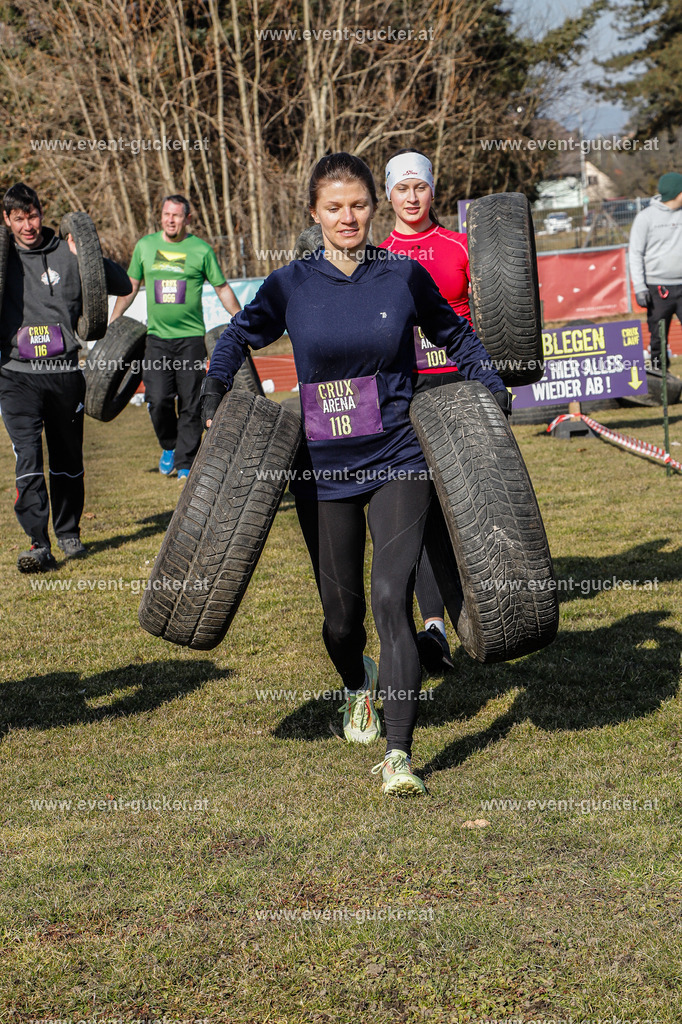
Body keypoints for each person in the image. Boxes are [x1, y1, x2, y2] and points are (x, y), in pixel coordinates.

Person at [200, 152, 508, 797]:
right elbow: (237, 335)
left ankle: (399, 754)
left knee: (392, 598)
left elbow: (456, 334)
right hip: (322, 468)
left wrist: (485, 378)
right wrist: (216, 386)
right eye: (334, 207)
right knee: (341, 619)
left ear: (375, 207)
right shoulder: (290, 284)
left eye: (359, 205)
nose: (348, 217)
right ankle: (356, 686)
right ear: (314, 213)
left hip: (399, 455)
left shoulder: (401, 276)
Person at [380, 149, 493, 674]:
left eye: (418, 188)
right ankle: (435, 630)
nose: (410, 197)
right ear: (388, 195)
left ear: (432, 190)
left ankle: (485, 614)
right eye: (401, 189)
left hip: (460, 390)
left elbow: (493, 318)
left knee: (471, 506)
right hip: (411, 397)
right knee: (420, 512)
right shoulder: (376, 258)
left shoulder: (458, 246)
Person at [0, 182, 132, 573]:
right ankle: (37, 541)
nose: (28, 225)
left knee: (67, 458)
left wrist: (88, 257)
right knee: (27, 456)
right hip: (16, 375)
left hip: (64, 372)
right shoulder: (3, 259)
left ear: (43, 213)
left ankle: (69, 531)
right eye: (19, 219)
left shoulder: (65, 251)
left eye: (34, 215)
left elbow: (123, 285)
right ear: (7, 221)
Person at [110, 195, 241, 480]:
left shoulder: (201, 250)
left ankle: (186, 463)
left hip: (191, 340)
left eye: (177, 215)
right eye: (166, 214)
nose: (170, 219)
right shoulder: (145, 246)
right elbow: (130, 287)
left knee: (192, 403)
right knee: (157, 400)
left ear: (187, 219)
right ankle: (169, 446)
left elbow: (222, 289)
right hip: (156, 339)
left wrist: (242, 321)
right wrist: (113, 322)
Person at [629, 172, 682, 369]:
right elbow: (635, 253)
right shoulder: (646, 218)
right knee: (658, 337)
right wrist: (640, 287)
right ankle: (662, 380)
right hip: (658, 288)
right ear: (677, 193)